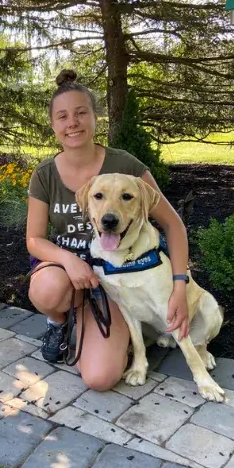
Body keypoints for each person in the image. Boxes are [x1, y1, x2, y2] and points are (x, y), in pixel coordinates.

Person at [26, 69, 190, 391]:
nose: (72, 123)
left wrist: (179, 286)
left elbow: (173, 224)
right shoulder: (44, 175)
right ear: (53, 125)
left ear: (95, 118)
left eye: (80, 113)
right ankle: (59, 323)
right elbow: (33, 239)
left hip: (116, 280)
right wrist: (70, 259)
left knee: (100, 379)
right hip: (66, 276)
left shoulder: (125, 165)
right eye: (62, 116)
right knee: (47, 288)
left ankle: (111, 328)